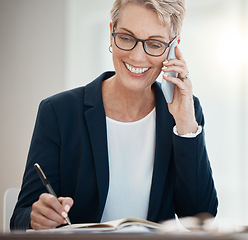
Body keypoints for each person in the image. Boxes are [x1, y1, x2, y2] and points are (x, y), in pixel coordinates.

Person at [10, 0, 218, 231]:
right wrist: (37, 216)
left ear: (172, 48)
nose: (138, 57)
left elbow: (203, 216)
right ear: (111, 34)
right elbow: (20, 217)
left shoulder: (184, 111)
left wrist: (185, 125)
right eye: (127, 38)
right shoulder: (58, 112)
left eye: (155, 44)